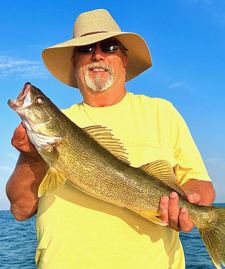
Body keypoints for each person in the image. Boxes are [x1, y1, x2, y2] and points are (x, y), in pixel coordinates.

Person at [6, 9, 215, 269]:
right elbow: (20, 209)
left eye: (110, 46)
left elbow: (202, 185)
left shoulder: (162, 112)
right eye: (85, 48)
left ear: (125, 60)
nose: (98, 54)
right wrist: (29, 155)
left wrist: (189, 203)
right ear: (74, 62)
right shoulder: (54, 132)